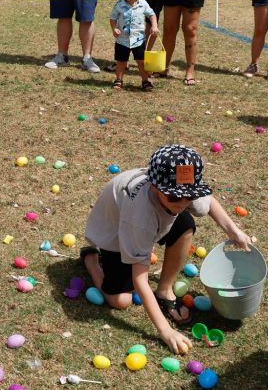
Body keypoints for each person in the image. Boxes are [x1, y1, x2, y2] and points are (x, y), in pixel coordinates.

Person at [82, 145, 253, 355]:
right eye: (174, 196)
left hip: (152, 218)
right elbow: (140, 280)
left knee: (185, 224)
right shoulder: (139, 218)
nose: (182, 202)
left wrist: (233, 232)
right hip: (116, 230)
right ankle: (91, 259)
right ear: (154, 187)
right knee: (120, 301)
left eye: (188, 196)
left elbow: (209, 203)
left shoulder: (182, 187)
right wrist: (165, 330)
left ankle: (164, 289)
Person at [109, 0, 158, 91]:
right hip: (122, 39)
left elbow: (152, 15)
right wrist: (114, 28)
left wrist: (154, 26)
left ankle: (145, 81)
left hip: (139, 39)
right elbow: (113, 18)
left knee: (141, 61)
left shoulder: (143, 4)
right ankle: (119, 80)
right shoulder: (119, 5)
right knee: (121, 61)